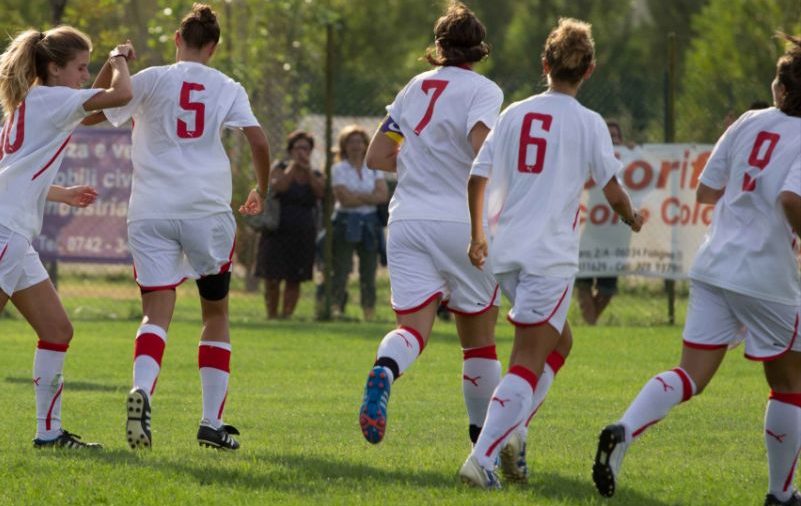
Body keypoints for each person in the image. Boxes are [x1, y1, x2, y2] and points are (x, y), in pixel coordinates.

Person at [592, 33, 801, 506]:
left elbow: (706, 192)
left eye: (777, 77)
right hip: (766, 276)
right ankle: (780, 494)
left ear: (784, 90)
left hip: (713, 266)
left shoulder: (748, 121)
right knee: (790, 384)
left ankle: (624, 429)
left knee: (690, 374)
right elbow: (791, 199)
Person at [458, 18, 643, 489]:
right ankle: (483, 458)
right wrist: (631, 217)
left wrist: (479, 235)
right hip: (549, 256)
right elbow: (614, 190)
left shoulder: (515, 112)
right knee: (526, 360)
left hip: (508, 252)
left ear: (545, 64)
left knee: (560, 344)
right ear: (590, 71)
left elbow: (477, 176)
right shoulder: (589, 122)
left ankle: (515, 432)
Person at [87, 3, 271, 451]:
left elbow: (89, 110)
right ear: (213, 46)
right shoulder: (227, 85)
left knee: (155, 312)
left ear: (176, 39)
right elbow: (258, 139)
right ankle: (211, 422)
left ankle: (142, 392)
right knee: (215, 313)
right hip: (205, 209)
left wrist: (114, 63)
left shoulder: (149, 78)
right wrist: (260, 189)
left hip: (150, 209)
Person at [358, 1, 505, 451]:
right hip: (461, 221)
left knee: (413, 330)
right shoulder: (484, 91)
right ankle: (481, 448)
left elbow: (377, 156)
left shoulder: (414, 88)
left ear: (437, 48)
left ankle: (385, 367)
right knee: (478, 342)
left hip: (407, 221)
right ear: (478, 50)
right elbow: (484, 154)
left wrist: (422, 159)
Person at [0, 26, 134, 448]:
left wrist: (59, 193)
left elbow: (90, 108)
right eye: (80, 66)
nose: (86, 73)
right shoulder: (52, 99)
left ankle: (49, 433)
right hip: (6, 230)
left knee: (58, 329)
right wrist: (119, 63)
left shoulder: (36, 100)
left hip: (15, 233)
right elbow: (119, 98)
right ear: (54, 68)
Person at [256, 130, 324, 319]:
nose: (302, 152)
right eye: (298, 147)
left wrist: (307, 170)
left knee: (295, 278)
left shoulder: (316, 173)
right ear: (290, 150)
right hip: (277, 230)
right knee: (272, 277)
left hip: (302, 231)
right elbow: (278, 187)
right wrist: (293, 168)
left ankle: (287, 315)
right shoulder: (279, 167)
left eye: (306, 148)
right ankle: (272, 314)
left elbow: (320, 193)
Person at [330, 125, 388, 321]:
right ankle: (336, 307)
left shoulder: (373, 169)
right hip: (346, 221)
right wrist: (368, 197)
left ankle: (369, 311)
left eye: (359, 142)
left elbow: (383, 195)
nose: (356, 146)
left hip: (370, 223)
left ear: (366, 145)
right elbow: (344, 199)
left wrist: (357, 196)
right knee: (342, 268)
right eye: (351, 142)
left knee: (369, 271)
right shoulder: (338, 169)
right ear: (344, 146)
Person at [575, 119, 628, 324]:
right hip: (592, 233)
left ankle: (590, 323)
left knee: (607, 288)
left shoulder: (632, 161)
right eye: (610, 137)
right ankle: (591, 325)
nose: (614, 141)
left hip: (618, 235)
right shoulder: (593, 158)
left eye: (617, 137)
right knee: (584, 282)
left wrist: (638, 152)